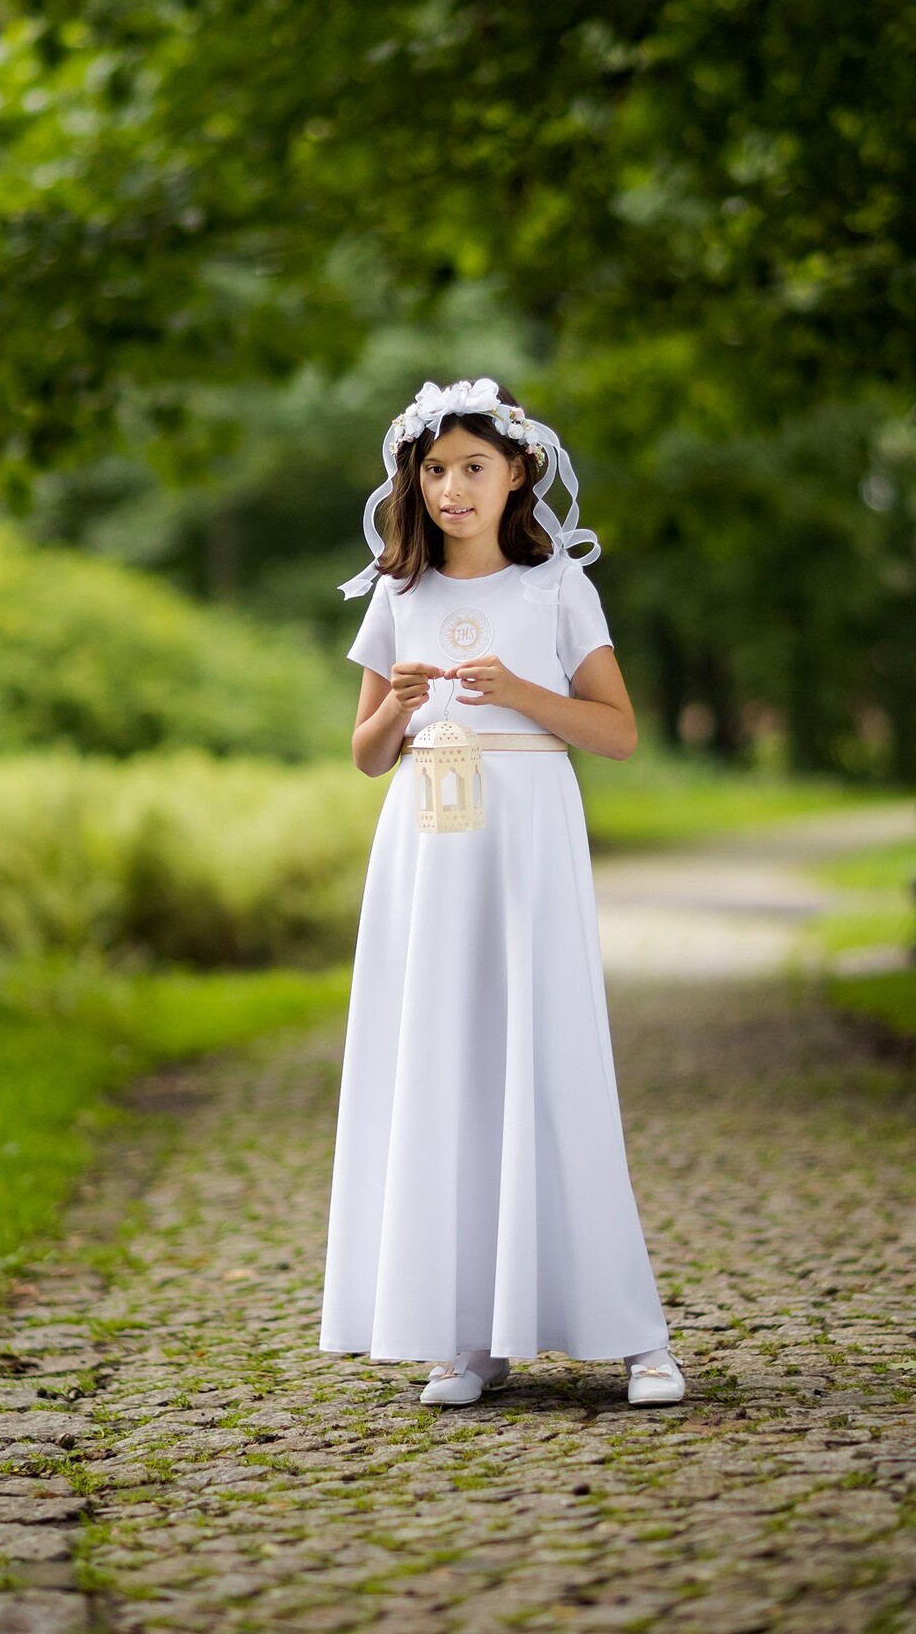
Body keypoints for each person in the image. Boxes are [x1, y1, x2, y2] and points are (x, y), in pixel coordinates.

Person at [319, 377, 684, 1410]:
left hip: (527, 832)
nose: (452, 488)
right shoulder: (397, 593)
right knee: (447, 1062)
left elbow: (618, 733)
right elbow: (365, 755)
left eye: (474, 467)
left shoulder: (555, 587)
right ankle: (467, 1333)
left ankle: (636, 1336)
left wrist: (520, 692)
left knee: (550, 1056)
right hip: (430, 843)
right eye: (435, 470)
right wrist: (396, 709)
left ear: (518, 471)